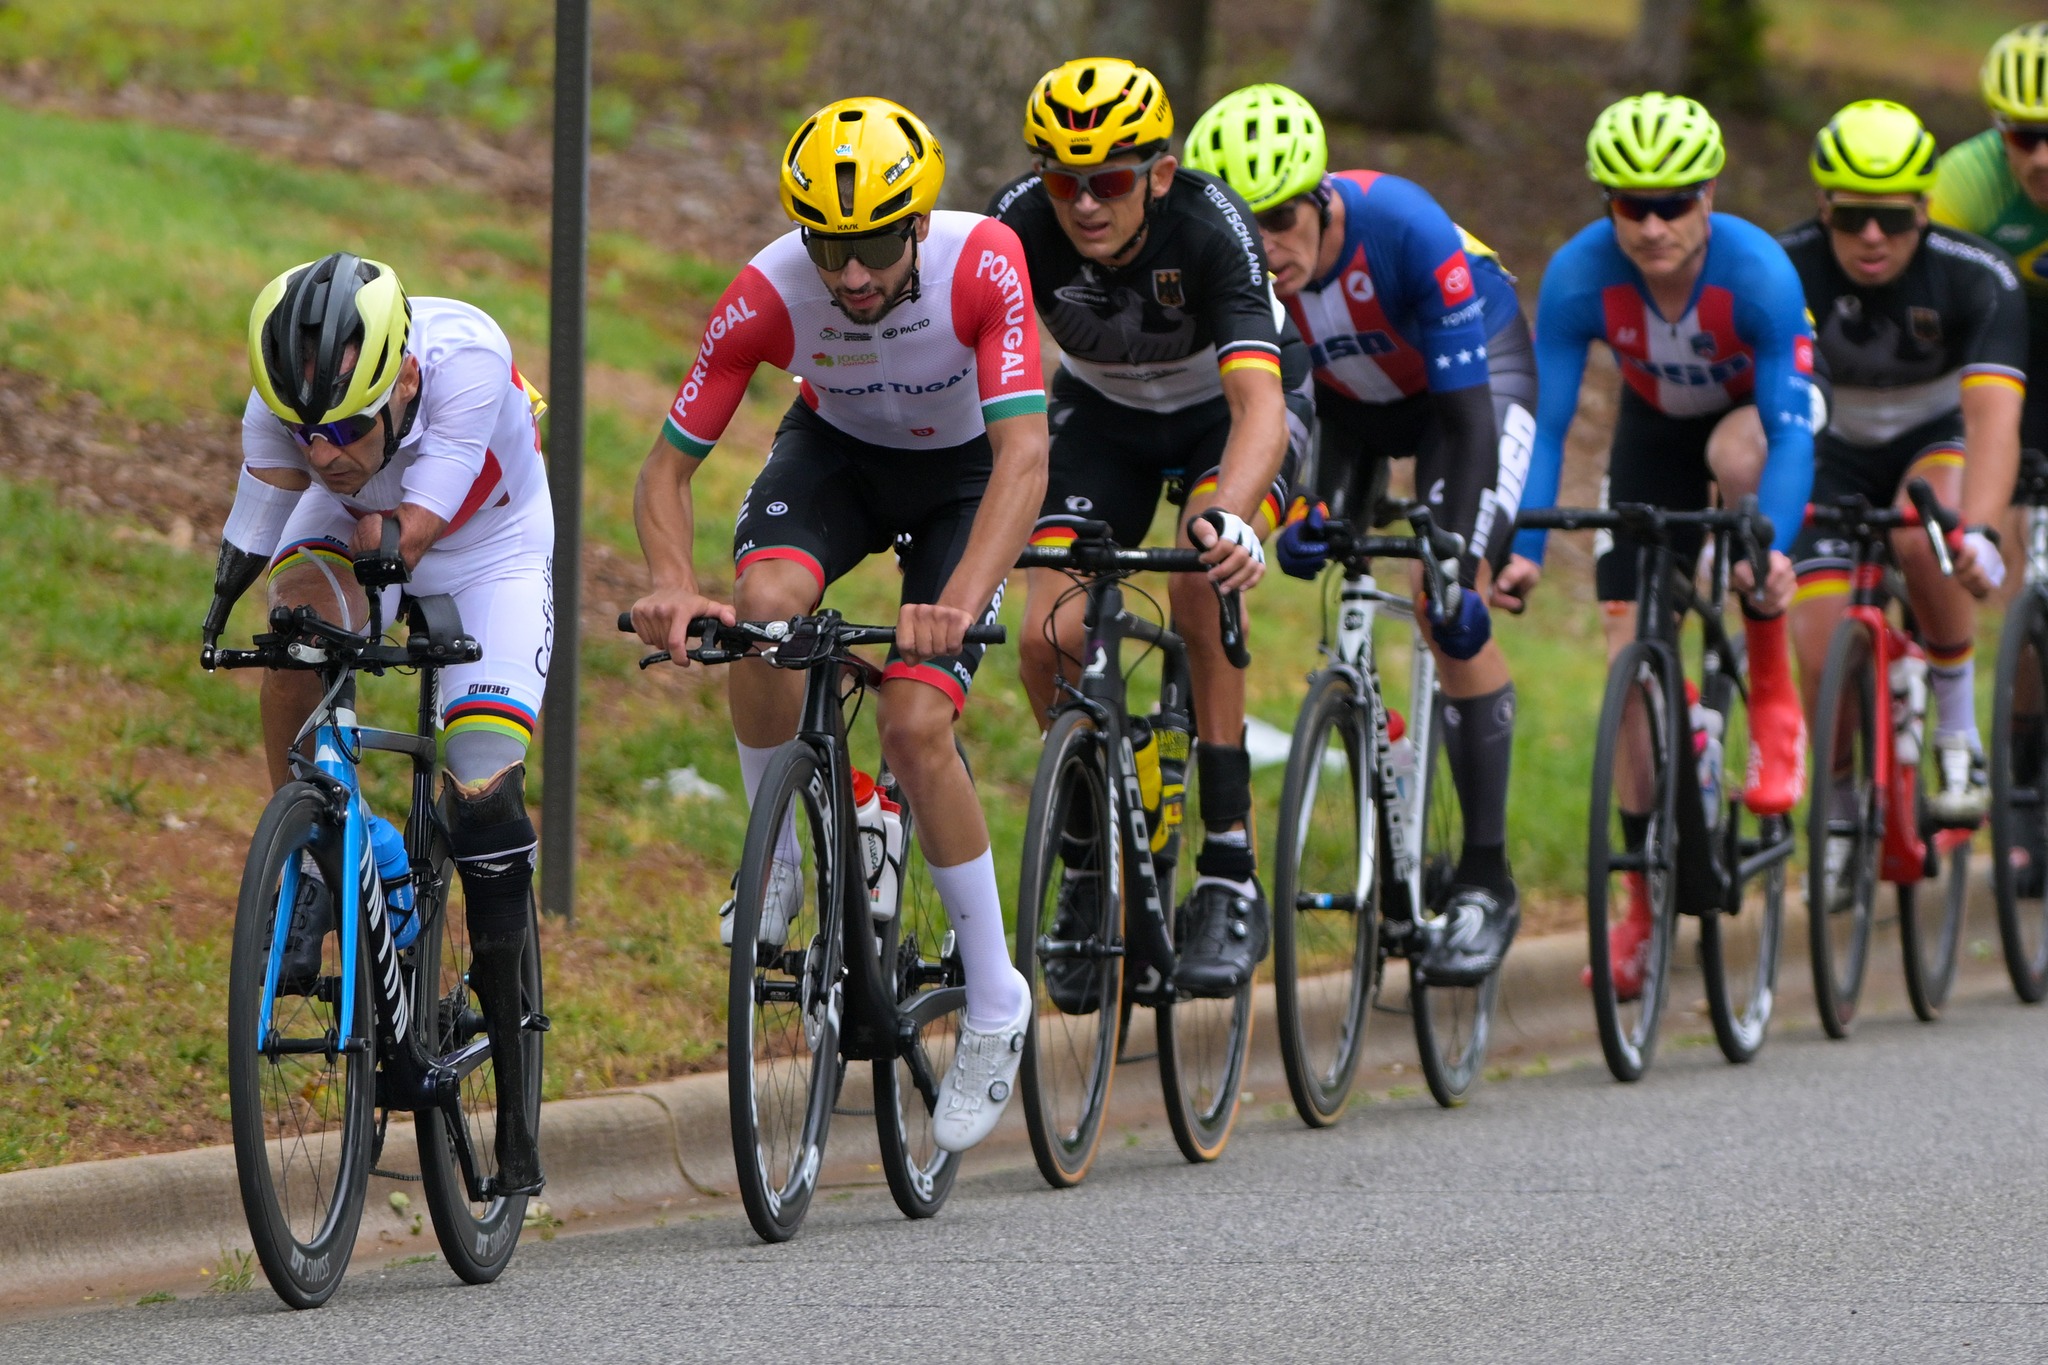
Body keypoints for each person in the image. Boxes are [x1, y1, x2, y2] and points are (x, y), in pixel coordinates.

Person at [627, 98, 1050, 1153]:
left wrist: (956, 607)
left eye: (870, 247)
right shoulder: (771, 288)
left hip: (965, 479)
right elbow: (666, 468)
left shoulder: (983, 260)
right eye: (830, 248)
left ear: (914, 227)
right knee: (763, 613)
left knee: (914, 725)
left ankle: (994, 999)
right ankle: (773, 859)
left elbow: (1023, 461)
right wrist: (674, 581)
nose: (851, 277)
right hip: (841, 454)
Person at [202, 253, 552, 1195]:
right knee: (294, 638)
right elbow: (256, 518)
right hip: (368, 532)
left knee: (480, 794)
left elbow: (411, 533)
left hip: (489, 553)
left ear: (402, 379)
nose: (325, 452)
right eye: (305, 431)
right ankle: (331, 852)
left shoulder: (467, 359)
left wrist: (367, 553)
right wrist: (230, 604)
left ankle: (516, 1102)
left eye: (349, 428)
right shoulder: (288, 412)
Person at [1186, 82, 1534, 985]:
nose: (1267, 246)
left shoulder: (1404, 225)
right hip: (1355, 410)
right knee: (1312, 540)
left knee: (1448, 604)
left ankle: (1490, 877)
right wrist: (1294, 512)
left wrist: (1457, 547)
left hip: (1470, 391)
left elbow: (1464, 423)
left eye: (1282, 218)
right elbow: (1283, 416)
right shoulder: (1246, 278)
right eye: (1242, 227)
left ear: (1322, 197)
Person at [991, 57, 1306, 998]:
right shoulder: (1020, 226)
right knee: (1050, 632)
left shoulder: (1212, 229)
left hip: (1229, 417)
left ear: (1158, 175)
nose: (1085, 204)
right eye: (1064, 182)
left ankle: (1228, 865)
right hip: (1104, 421)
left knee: (1195, 579)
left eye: (1112, 181)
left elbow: (1260, 409)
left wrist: (1230, 518)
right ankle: (1088, 849)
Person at [1514, 93, 1819, 998]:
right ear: (1608, 202)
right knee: (1626, 650)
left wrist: (1772, 545)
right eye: (1631, 204)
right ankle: (1640, 910)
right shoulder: (1579, 274)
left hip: (1754, 428)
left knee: (1738, 454)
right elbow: (1552, 422)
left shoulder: (1758, 272)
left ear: (1710, 193)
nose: (1652, 225)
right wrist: (1524, 542)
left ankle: (1768, 677)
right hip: (1652, 433)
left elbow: (1792, 433)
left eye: (1674, 202)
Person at [1781, 100, 2023, 863]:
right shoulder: (1786, 267)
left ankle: (1957, 729)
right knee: (1822, 653)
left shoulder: (1975, 276)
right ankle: (1846, 796)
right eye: (1850, 219)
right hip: (1833, 444)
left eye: (1892, 218)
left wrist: (1980, 532)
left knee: (1929, 539)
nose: (1873, 238)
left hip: (1934, 436)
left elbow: (1991, 421)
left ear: (1925, 206)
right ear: (1823, 208)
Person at [1932, 22, 2048, 466]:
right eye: (2024, 136)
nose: (2042, 159)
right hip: (2005, 335)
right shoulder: (1964, 183)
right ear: (1999, 131)